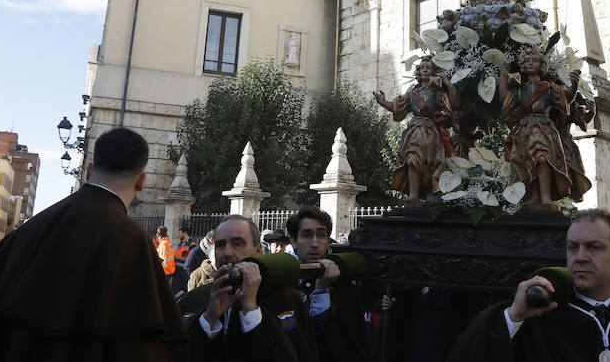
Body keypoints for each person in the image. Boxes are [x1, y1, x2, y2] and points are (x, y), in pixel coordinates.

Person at [0, 127, 187, 361]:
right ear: (141, 181)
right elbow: (145, 340)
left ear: (89, 170)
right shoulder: (132, 241)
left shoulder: (31, 228)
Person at [447, 209, 610, 361]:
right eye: (573, 248)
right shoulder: (539, 323)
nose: (580, 257)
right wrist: (513, 316)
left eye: (594, 247)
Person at [178, 214, 316, 361]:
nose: (227, 252)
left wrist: (251, 311)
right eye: (220, 245)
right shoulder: (193, 299)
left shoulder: (285, 299)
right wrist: (209, 319)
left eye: (237, 244)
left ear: (258, 251)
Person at [499, 48, 590, 206]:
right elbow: (505, 103)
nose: (530, 63)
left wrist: (574, 85)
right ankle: (534, 197)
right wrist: (503, 77)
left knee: (543, 159)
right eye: (526, 61)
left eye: (534, 60)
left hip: (544, 128)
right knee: (528, 162)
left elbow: (566, 99)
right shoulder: (519, 90)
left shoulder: (549, 88)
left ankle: (546, 197)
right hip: (524, 131)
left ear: (541, 65)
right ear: (522, 66)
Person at [287, 206, 370, 362]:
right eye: (306, 235)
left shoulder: (345, 290)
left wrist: (321, 291)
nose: (315, 243)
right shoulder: (283, 286)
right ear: (293, 240)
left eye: (321, 235)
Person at [373, 56, 459, 206]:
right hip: (413, 131)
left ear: (434, 71)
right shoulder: (413, 93)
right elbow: (398, 108)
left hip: (431, 133)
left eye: (429, 67)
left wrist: (448, 84)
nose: (425, 69)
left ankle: (429, 193)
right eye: (422, 67)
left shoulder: (438, 92)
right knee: (412, 160)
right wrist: (382, 102)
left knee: (430, 164)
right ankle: (413, 195)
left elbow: (454, 104)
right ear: (418, 72)